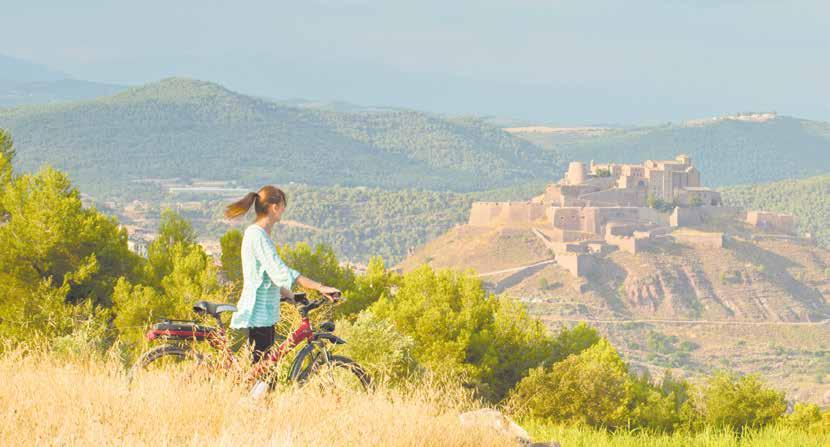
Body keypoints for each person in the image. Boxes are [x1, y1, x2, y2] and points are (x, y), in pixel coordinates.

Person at [224, 185, 340, 363]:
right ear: (275, 207)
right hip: (257, 314)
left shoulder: (258, 234)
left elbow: (269, 275)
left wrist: (291, 296)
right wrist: (320, 287)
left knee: (264, 370)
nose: (284, 210)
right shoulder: (258, 236)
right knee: (262, 372)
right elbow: (282, 271)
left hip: (263, 313)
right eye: (283, 205)